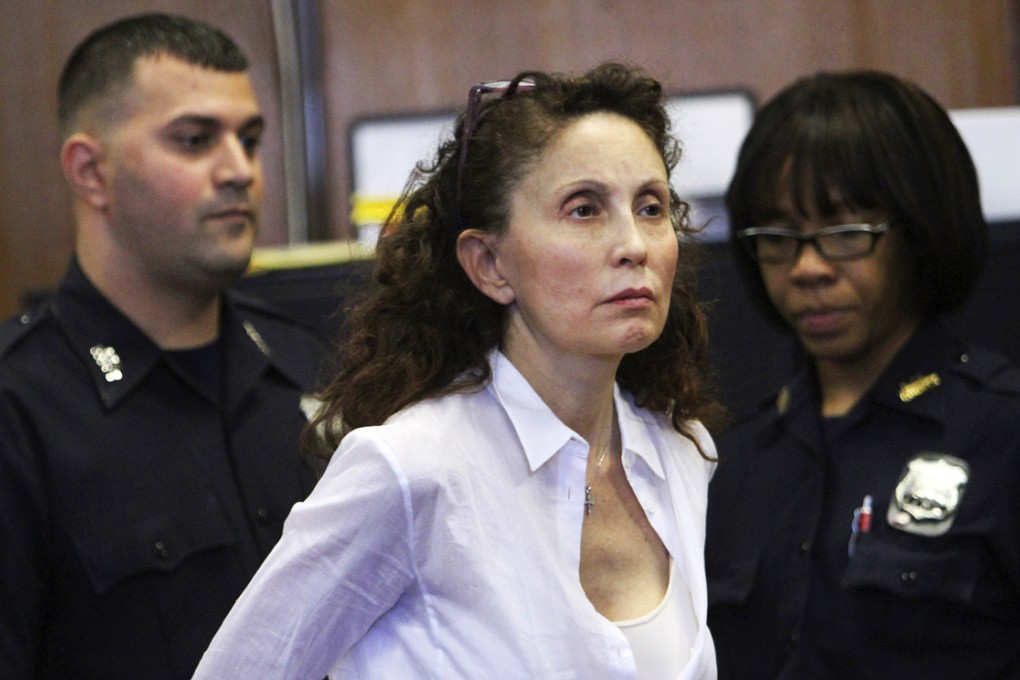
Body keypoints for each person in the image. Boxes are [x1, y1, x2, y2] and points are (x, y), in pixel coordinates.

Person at [193, 62, 726, 679]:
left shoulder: (683, 452)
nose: (634, 243)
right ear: (489, 264)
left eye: (652, 207)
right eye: (584, 209)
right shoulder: (411, 468)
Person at [0, 13, 325, 679]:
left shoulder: (307, 365)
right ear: (91, 172)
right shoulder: (19, 413)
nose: (240, 171)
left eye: (252, 139)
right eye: (195, 139)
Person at [705, 70, 1020, 679]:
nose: (807, 268)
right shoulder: (730, 462)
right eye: (778, 238)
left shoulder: (1002, 432)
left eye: (846, 235)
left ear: (919, 236)